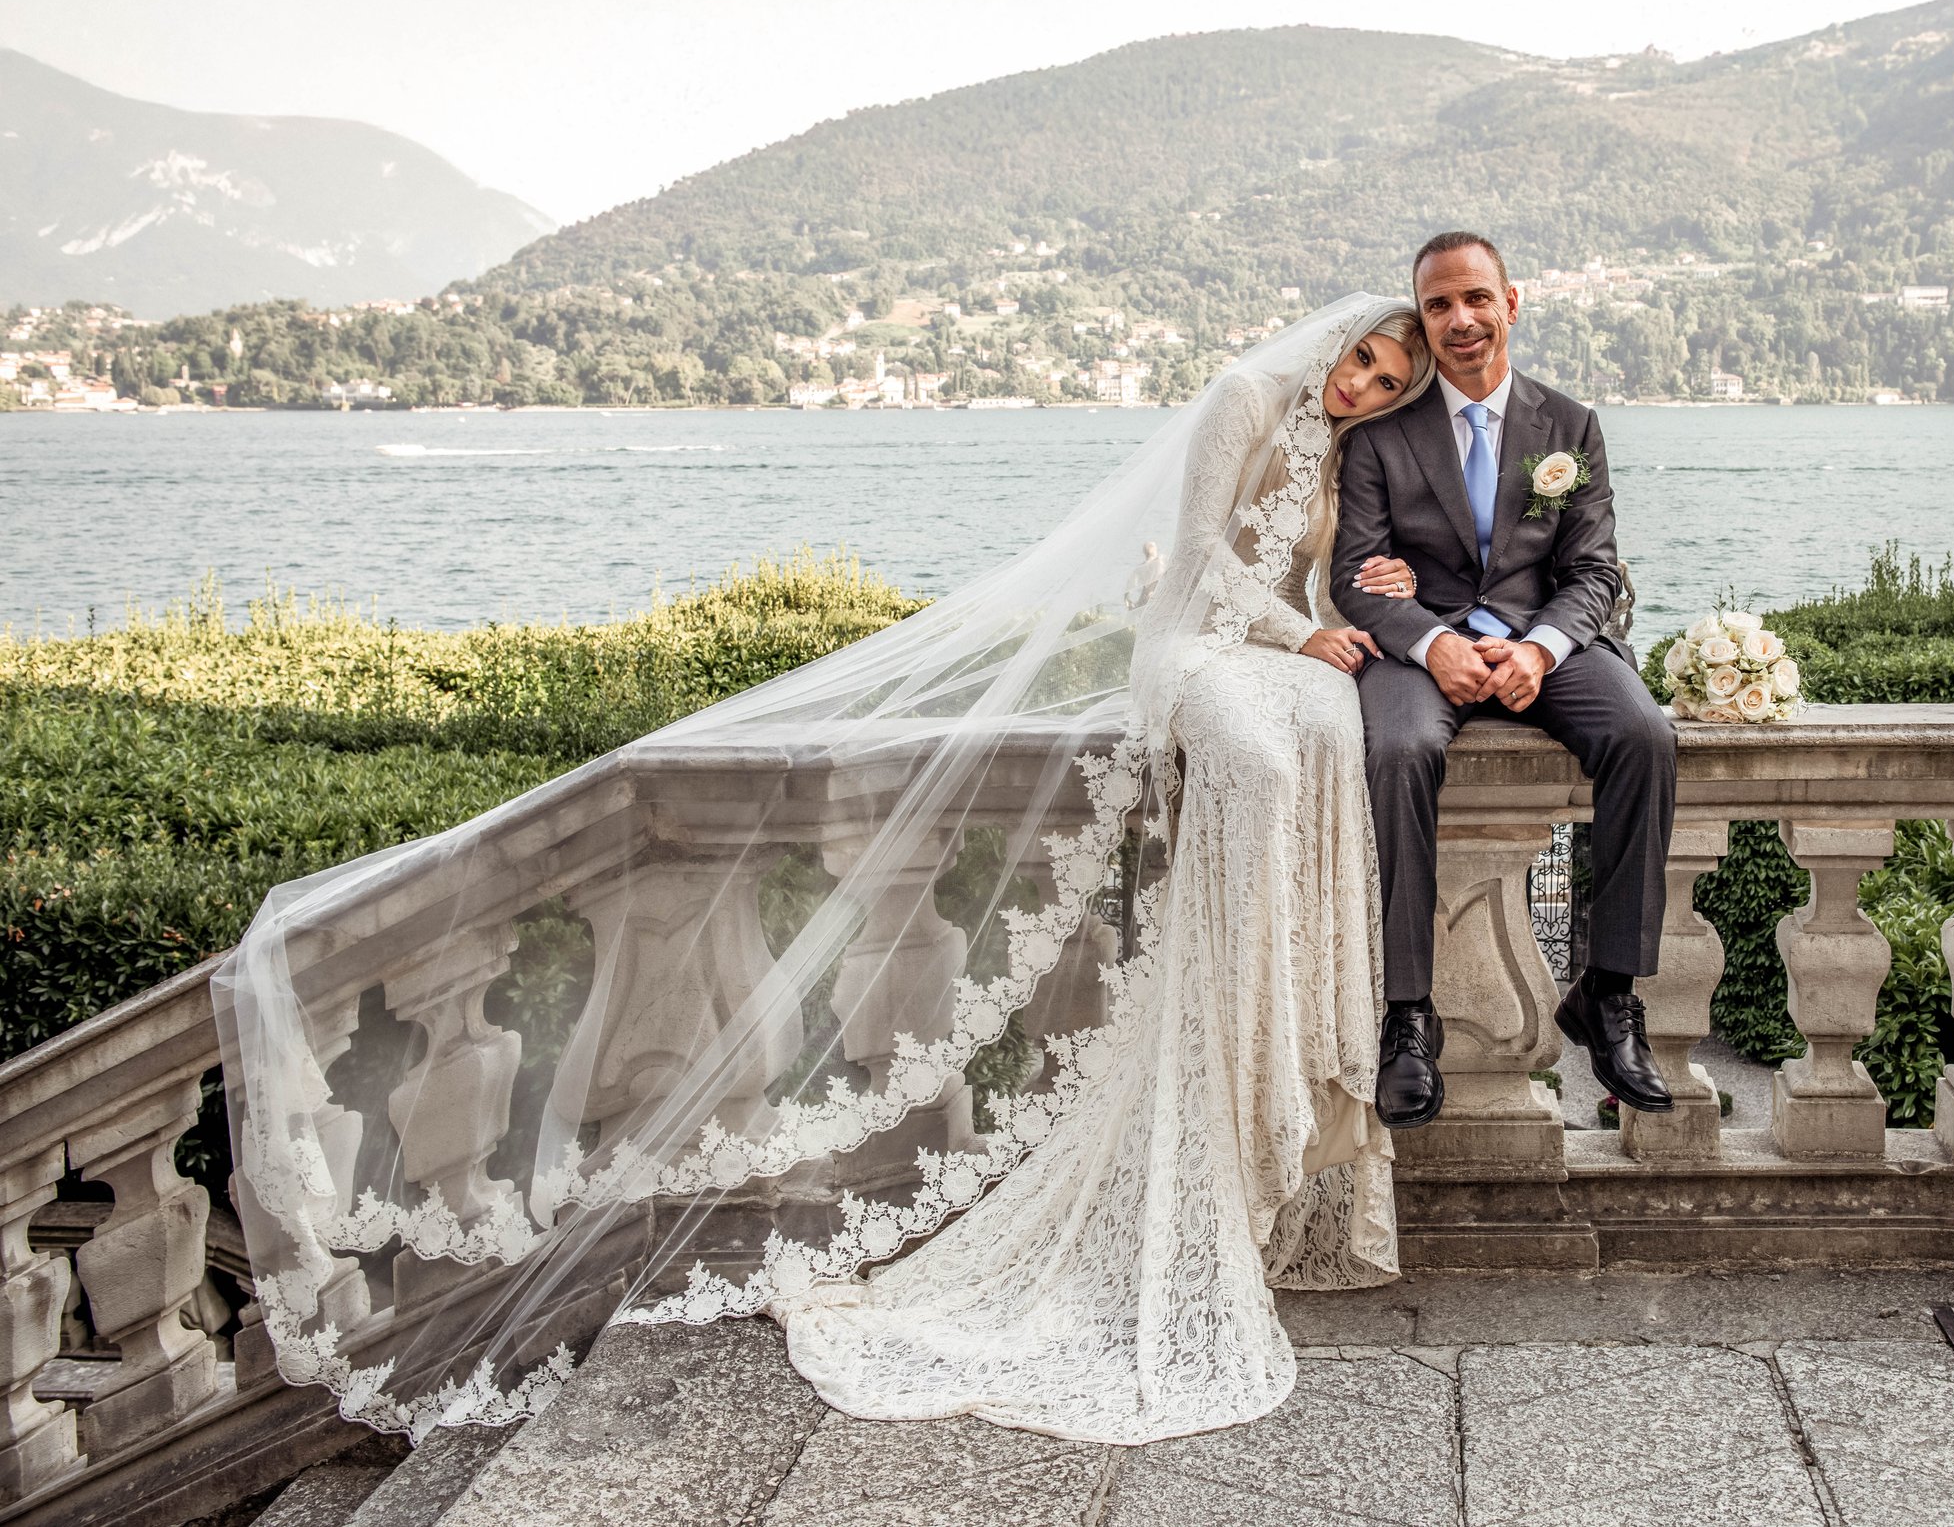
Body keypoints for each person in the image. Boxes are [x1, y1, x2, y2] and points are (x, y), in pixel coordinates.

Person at [213, 296, 1442, 1450]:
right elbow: (1195, 570)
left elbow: (1316, 571)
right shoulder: (1242, 394)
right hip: (1190, 649)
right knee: (1269, 755)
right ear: (1333, 336)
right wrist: (1297, 631)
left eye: (1388, 384)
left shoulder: (1346, 445)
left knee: (1335, 731)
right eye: (1363, 362)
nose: (1364, 386)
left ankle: (1287, 1036)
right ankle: (1247, 1021)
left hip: (1278, 647)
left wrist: (1364, 596)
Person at [1329, 232, 1681, 1129]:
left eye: (1477, 299)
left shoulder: (1571, 428)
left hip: (1544, 646)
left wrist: (1541, 651)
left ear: (1511, 303)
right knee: (1399, 747)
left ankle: (1606, 995)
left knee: (1644, 735)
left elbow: (1594, 573)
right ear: (1425, 317)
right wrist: (1432, 642)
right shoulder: (1379, 441)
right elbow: (1353, 575)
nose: (1461, 320)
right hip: (1424, 655)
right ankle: (1406, 1018)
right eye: (1440, 305)